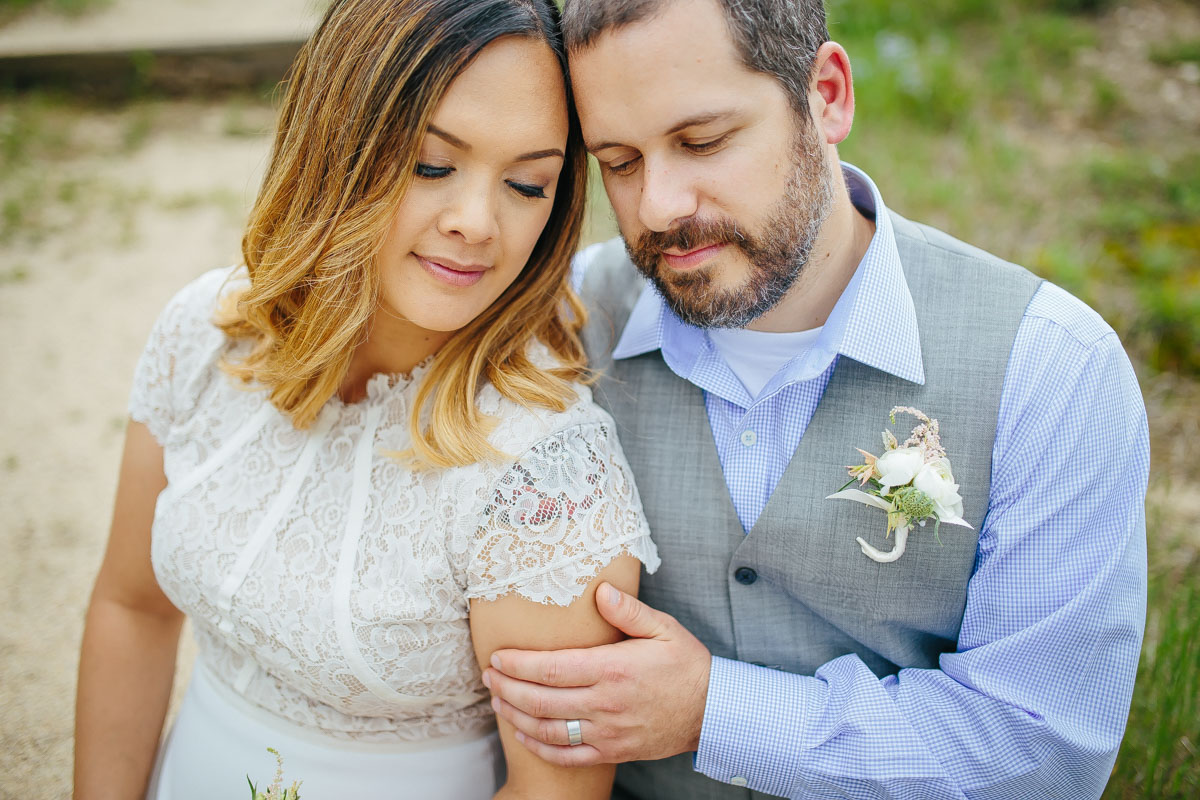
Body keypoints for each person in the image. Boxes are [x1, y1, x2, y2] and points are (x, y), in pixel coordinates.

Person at [482, 1, 1150, 798]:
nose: (659, 206)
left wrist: (714, 712)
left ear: (826, 95)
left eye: (702, 141)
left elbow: (1040, 754)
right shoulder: (565, 324)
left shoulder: (1049, 368)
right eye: (620, 162)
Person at [73, 1, 660, 798]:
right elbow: (131, 608)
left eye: (527, 183)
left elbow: (551, 793)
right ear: (336, 138)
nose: (477, 223)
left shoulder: (547, 475)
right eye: (431, 164)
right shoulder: (205, 336)